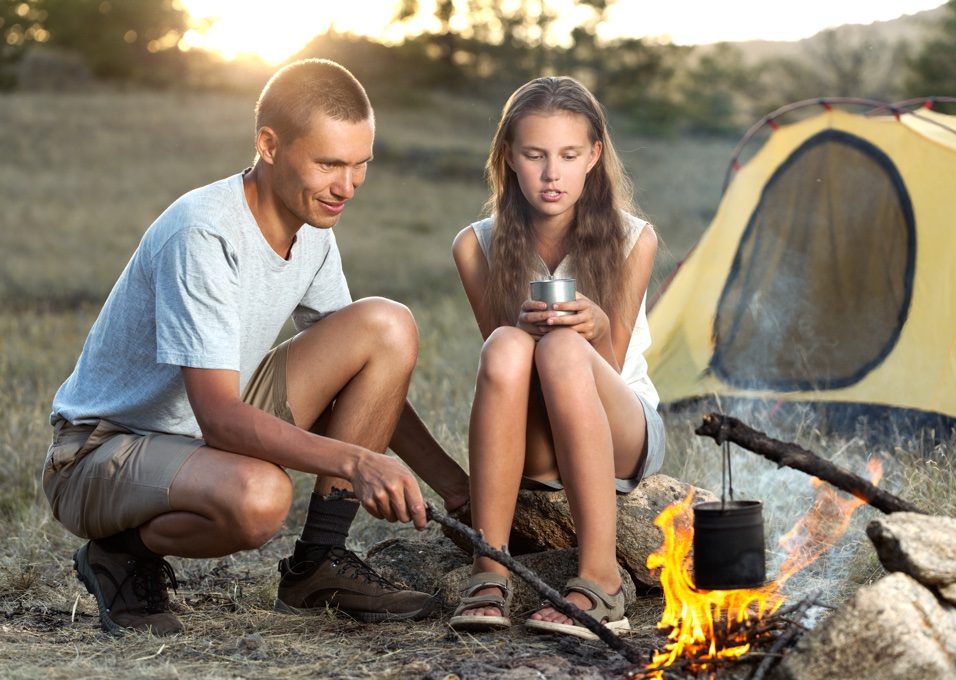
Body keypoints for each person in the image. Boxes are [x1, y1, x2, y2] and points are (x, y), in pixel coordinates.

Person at [42, 58, 469, 636]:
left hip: (204, 430)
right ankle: (118, 555)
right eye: (329, 164)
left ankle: (318, 565)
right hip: (101, 453)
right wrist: (354, 461)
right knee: (260, 499)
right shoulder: (204, 233)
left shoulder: (314, 227)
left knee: (387, 325)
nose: (347, 186)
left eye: (361, 164)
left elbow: (369, 378)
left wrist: (455, 488)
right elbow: (218, 418)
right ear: (269, 145)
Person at [448, 76, 665, 638]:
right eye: (535, 155)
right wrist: (517, 325)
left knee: (567, 349)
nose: (552, 174)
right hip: (534, 439)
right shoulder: (476, 246)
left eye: (569, 155)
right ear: (509, 157)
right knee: (504, 342)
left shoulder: (633, 239)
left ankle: (601, 576)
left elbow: (610, 368)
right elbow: (505, 376)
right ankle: (490, 567)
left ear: (594, 156)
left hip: (621, 431)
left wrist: (594, 327)